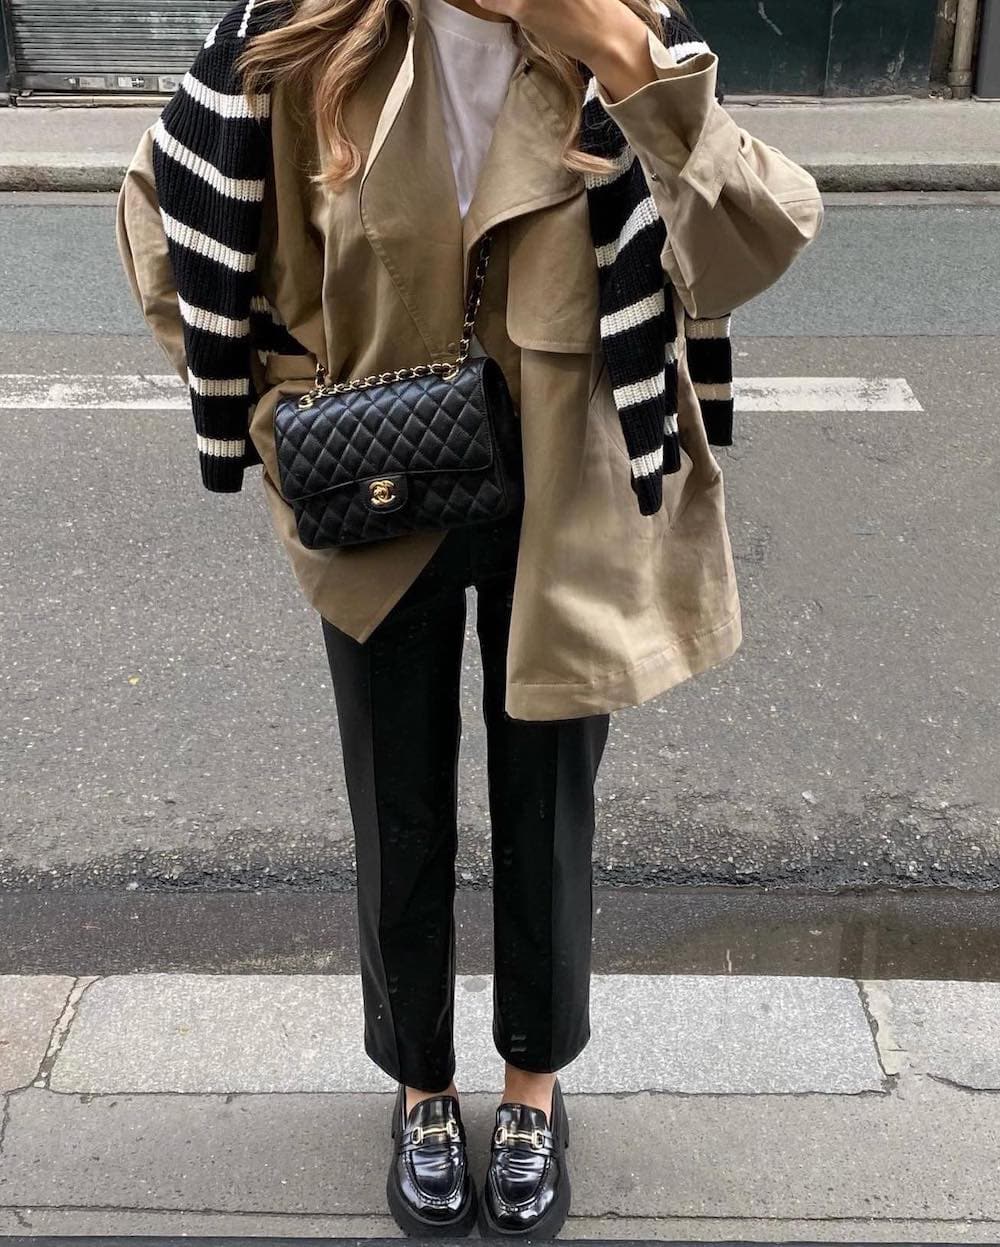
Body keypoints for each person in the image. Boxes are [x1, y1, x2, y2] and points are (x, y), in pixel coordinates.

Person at [115, 0, 822, 1234]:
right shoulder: (294, 36)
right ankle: (422, 1088)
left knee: (549, 806)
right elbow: (164, 218)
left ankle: (533, 1088)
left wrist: (625, 61)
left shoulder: (619, 32)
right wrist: (279, 419)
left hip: (568, 504)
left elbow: (753, 241)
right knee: (396, 802)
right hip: (378, 484)